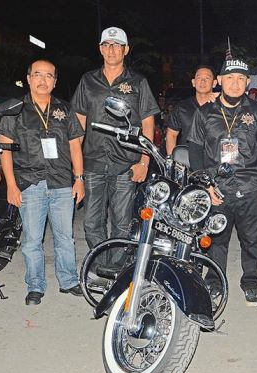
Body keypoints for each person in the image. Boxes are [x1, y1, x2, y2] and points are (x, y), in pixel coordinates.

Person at [70, 27, 160, 274]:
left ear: (125, 50)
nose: (111, 49)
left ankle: (116, 267)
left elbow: (148, 122)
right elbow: (77, 123)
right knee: (91, 222)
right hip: (93, 162)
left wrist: (144, 162)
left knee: (121, 222)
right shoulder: (88, 81)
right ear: (100, 49)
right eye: (107, 45)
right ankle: (100, 267)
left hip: (126, 163)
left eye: (116, 45)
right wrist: (75, 167)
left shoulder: (138, 82)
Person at [0, 59, 85, 305]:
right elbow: (5, 150)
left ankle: (68, 281)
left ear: (55, 82)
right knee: (32, 240)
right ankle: (35, 286)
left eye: (49, 76)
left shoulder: (65, 110)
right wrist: (11, 186)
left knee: (65, 237)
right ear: (28, 78)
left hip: (61, 183)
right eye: (38, 74)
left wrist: (79, 179)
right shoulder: (14, 109)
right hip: (29, 184)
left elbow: (75, 146)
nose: (43, 80)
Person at [187, 58, 257, 305]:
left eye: (241, 78)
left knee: (252, 239)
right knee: (216, 239)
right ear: (219, 81)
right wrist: (205, 185)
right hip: (216, 188)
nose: (235, 83)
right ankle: (214, 281)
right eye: (230, 78)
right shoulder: (204, 112)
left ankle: (251, 282)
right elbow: (195, 151)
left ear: (247, 82)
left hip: (250, 185)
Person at [165, 65, 218, 154]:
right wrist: (172, 161)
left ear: (214, 83)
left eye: (207, 78)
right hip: (186, 160)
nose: (202, 81)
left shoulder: (221, 106)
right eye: (199, 77)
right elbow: (172, 134)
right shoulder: (182, 107)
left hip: (213, 161)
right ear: (193, 82)